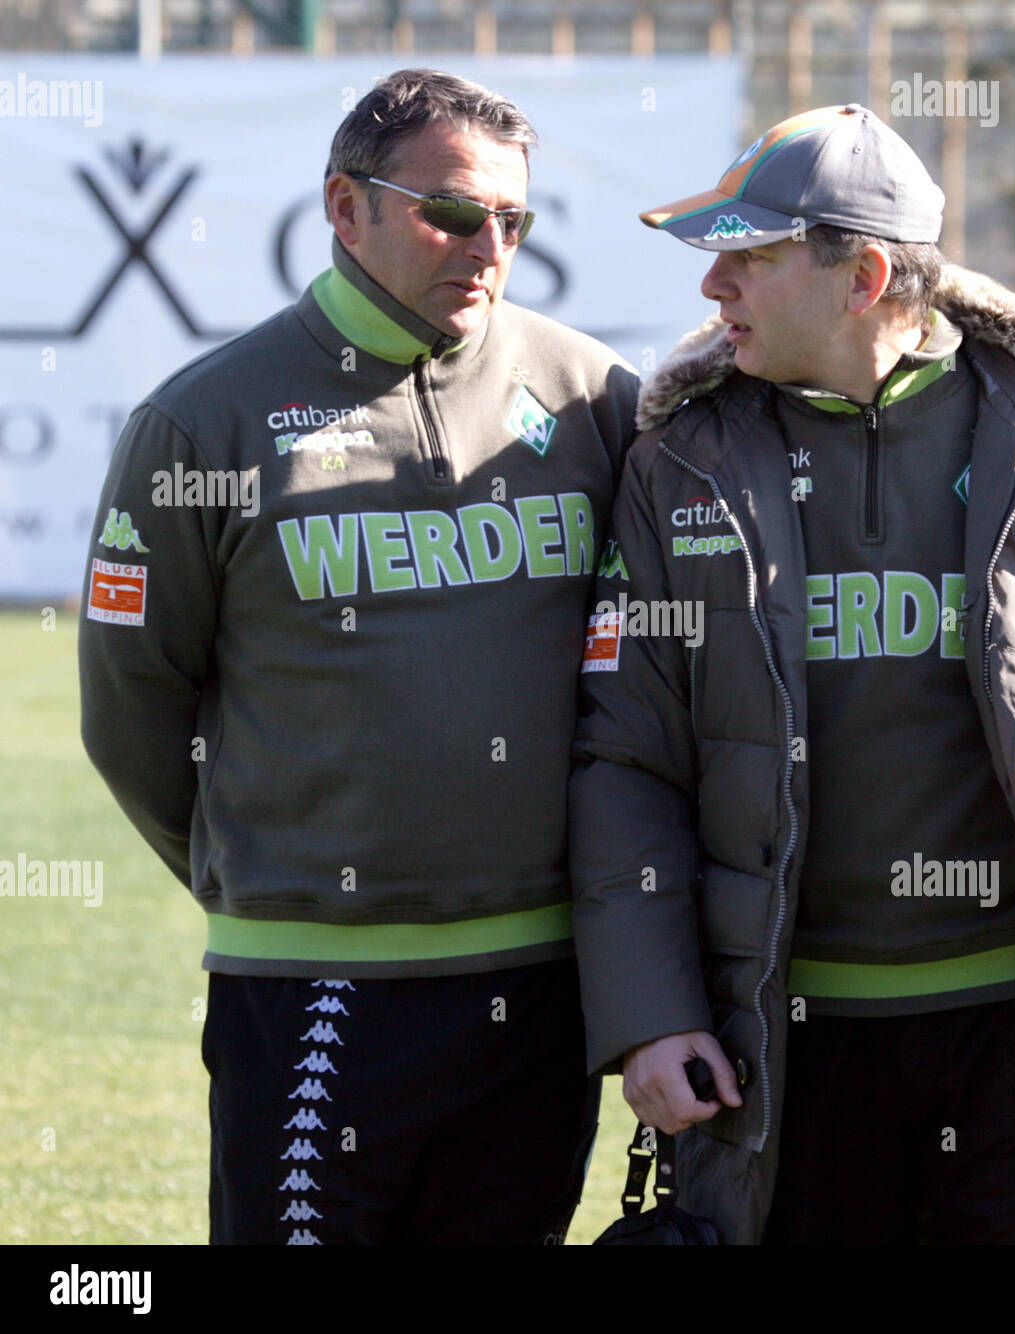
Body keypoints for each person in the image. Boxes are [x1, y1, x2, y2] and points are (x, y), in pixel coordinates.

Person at [569, 103, 1015, 1245]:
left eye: (749, 257)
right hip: (786, 1040)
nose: (713, 287)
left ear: (862, 274)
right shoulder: (676, 462)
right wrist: (651, 1016)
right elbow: (627, 756)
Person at [79, 68, 638, 1245]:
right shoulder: (203, 423)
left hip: (539, 981)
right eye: (450, 212)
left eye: (513, 221)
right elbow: (132, 705)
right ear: (346, 206)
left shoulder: (595, 399)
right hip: (313, 979)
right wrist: (275, 868)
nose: (487, 246)